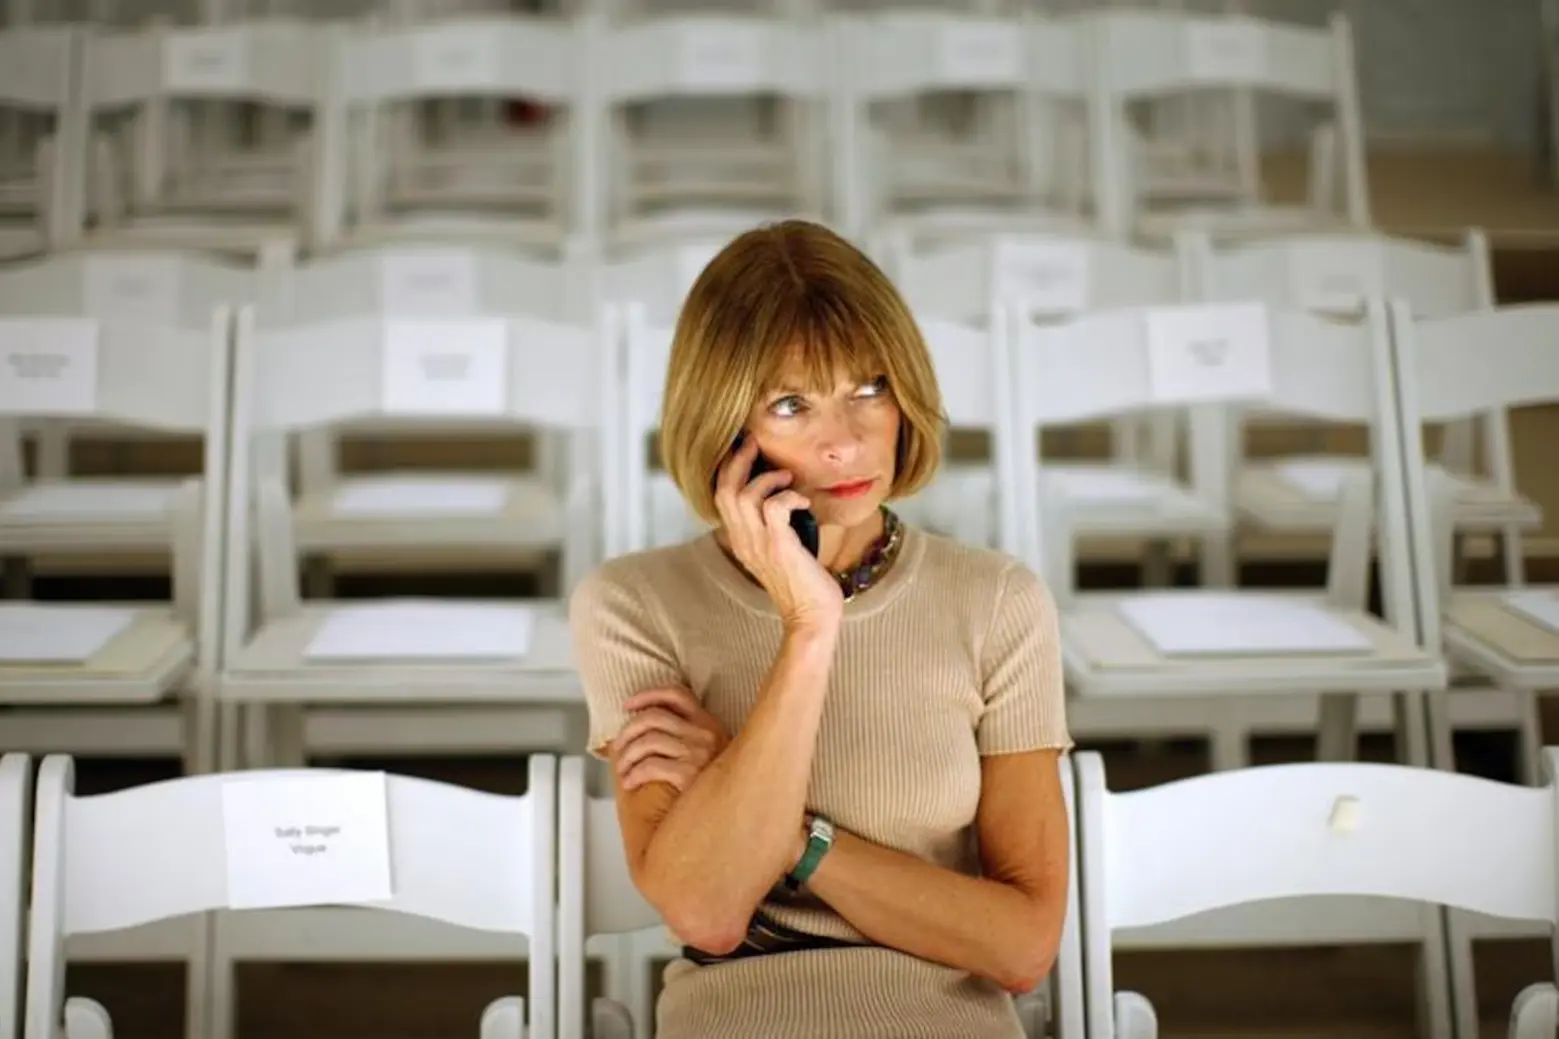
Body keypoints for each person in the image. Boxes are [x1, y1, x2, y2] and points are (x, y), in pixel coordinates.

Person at [568, 218, 1072, 1038]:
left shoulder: (996, 601)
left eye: (869, 387)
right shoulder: (634, 605)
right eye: (791, 404)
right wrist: (809, 627)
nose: (844, 440)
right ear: (727, 426)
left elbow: (1020, 945)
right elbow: (707, 912)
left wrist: (791, 830)